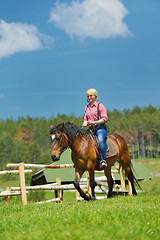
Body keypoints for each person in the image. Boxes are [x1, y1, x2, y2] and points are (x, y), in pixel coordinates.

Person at [82, 88, 109, 168]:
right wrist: (85, 122)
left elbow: (104, 119)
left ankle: (103, 160)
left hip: (100, 128)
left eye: (91, 96)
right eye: (88, 96)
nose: (89, 98)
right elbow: (85, 118)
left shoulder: (100, 106)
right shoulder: (86, 107)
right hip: (91, 129)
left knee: (100, 141)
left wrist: (94, 122)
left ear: (95, 96)